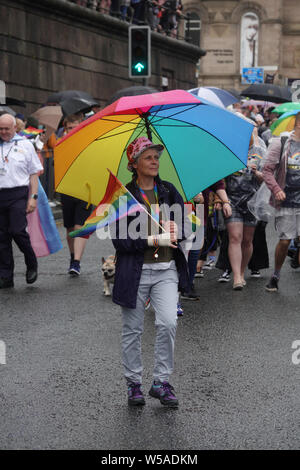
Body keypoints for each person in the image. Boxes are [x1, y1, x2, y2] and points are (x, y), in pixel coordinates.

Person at [111, 136, 189, 407]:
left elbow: (187, 224)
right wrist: (152, 240)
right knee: (132, 330)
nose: (155, 161)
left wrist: (179, 229)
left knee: (168, 322)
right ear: (134, 164)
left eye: (156, 156)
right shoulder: (123, 196)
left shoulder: (168, 190)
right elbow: (119, 240)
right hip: (135, 272)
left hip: (166, 270)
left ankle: (161, 382)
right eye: (148, 157)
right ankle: (134, 384)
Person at [0, 113, 43, 288]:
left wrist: (33, 197)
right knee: (1, 237)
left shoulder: (25, 145)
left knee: (18, 231)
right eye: (0, 129)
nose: (3, 132)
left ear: (15, 128)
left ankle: (31, 262)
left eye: (6, 128)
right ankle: (5, 275)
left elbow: (34, 173)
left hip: (18, 194)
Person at [224, 126, 266, 290]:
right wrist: (221, 200)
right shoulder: (229, 151)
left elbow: (267, 179)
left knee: (247, 240)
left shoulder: (259, 152)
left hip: (252, 201)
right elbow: (221, 177)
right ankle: (236, 277)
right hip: (232, 200)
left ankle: (242, 271)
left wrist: (258, 173)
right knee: (235, 237)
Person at [263, 112, 300, 292]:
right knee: (285, 241)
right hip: (286, 201)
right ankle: (276, 274)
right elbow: (267, 171)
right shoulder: (282, 143)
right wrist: (276, 189)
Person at [59, 114, 93, 277]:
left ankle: (76, 262)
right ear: (66, 129)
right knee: (70, 227)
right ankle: (72, 257)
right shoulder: (62, 143)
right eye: (70, 128)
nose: (73, 130)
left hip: (86, 189)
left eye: (76, 127)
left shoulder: (89, 142)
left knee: (80, 225)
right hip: (67, 190)